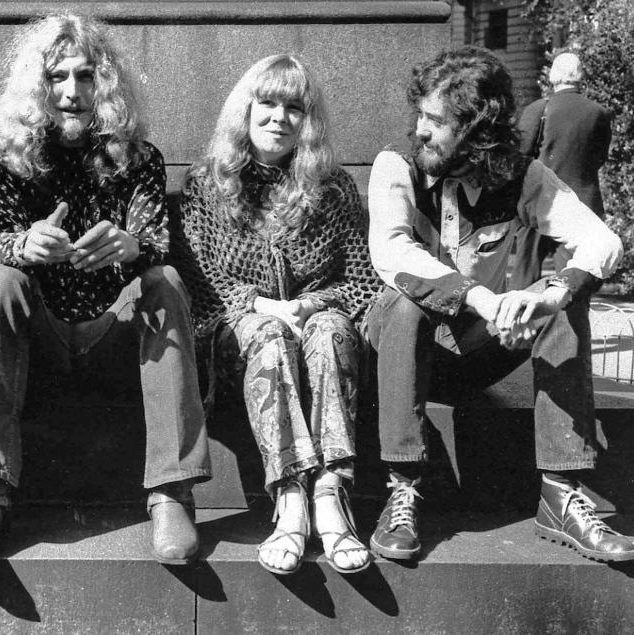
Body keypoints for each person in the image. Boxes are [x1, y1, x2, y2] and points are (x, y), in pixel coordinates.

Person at [0, 14, 211, 569]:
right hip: (39, 339)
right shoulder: (10, 163)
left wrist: (131, 245)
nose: (71, 93)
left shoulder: (139, 159)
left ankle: (172, 491)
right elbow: (2, 246)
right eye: (56, 77)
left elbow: (159, 240)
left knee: (164, 280)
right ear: (36, 87)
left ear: (105, 83)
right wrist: (29, 245)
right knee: (1, 281)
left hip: (113, 333)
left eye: (85, 76)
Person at [366, 46, 632, 563]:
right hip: (399, 349)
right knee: (405, 303)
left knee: (559, 301)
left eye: (435, 120)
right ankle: (403, 486)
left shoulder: (522, 176)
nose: (420, 129)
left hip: (476, 349)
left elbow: (603, 240)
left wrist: (552, 293)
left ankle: (560, 491)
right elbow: (391, 251)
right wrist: (480, 297)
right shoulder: (395, 166)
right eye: (419, 113)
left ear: (476, 129)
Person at [176, 55, 382, 575]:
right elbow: (202, 284)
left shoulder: (332, 189)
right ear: (245, 110)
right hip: (235, 331)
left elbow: (359, 281)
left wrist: (308, 306)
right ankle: (290, 499)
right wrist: (267, 307)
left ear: (307, 121)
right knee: (268, 333)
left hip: (314, 322)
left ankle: (331, 497)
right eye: (267, 103)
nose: (279, 117)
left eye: (294, 107)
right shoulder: (207, 184)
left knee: (332, 330)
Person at [517, 52, 612, 216]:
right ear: (580, 75)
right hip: (588, 208)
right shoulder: (599, 112)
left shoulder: (537, 109)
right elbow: (600, 158)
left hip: (547, 207)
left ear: (552, 75)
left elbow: (519, 158)